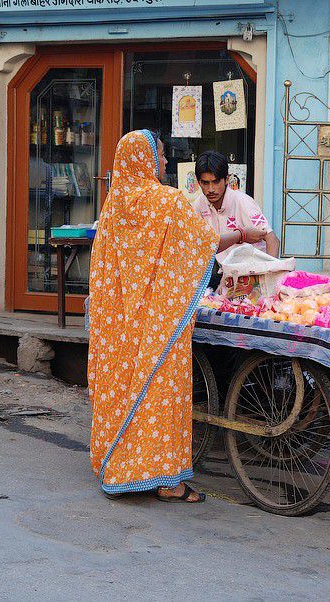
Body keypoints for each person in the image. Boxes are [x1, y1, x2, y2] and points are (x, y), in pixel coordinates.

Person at [88, 130, 219, 503]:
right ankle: (167, 481)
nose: (164, 163)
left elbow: (103, 269)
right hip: (159, 323)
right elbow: (201, 244)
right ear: (144, 159)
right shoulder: (166, 201)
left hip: (118, 326)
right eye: (159, 155)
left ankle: (117, 463)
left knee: (122, 389)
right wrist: (239, 237)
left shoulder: (113, 206)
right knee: (162, 393)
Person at [191, 151, 279, 257]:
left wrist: (270, 271)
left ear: (227, 179)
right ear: (199, 182)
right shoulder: (198, 205)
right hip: (223, 270)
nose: (211, 189)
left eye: (216, 182)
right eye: (205, 183)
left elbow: (272, 239)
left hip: (253, 269)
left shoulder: (243, 202)